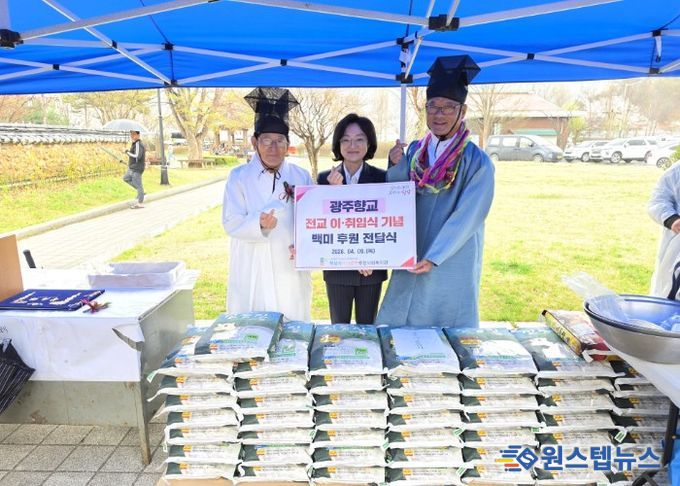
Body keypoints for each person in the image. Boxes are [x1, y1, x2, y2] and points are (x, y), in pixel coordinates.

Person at [376, 55, 495, 328]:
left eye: (448, 107)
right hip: (412, 246)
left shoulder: (476, 161)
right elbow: (399, 196)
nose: (439, 114)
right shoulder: (416, 151)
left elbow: (468, 216)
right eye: (433, 106)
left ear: (462, 111)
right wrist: (396, 165)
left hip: (450, 254)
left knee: (445, 324)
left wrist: (435, 255)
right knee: (401, 326)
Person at [222, 88, 313, 321]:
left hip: (288, 262)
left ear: (288, 144)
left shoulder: (301, 176)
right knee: (252, 324)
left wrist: (306, 245)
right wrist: (259, 224)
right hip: (251, 260)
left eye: (280, 141)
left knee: (292, 323)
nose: (273, 148)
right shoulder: (238, 177)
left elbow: (312, 220)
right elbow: (231, 222)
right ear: (254, 142)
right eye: (266, 140)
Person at [317, 114, 387, 324]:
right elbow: (320, 224)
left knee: (367, 329)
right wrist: (334, 193)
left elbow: (387, 223)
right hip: (338, 268)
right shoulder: (324, 179)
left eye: (359, 139)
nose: (352, 145)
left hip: (370, 269)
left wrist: (371, 256)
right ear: (338, 145)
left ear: (369, 143)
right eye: (346, 140)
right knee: (339, 329)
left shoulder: (382, 178)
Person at [648, 161, 680, 298]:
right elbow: (658, 200)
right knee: (670, 293)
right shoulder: (677, 171)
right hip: (676, 252)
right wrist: (672, 219)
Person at [123, 130, 146, 209]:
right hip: (132, 167)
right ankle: (141, 192)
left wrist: (127, 152)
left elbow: (137, 156)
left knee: (139, 185)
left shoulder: (138, 144)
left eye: (134, 134)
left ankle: (140, 203)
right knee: (126, 178)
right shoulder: (135, 144)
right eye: (131, 134)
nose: (132, 136)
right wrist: (128, 152)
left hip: (137, 168)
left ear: (138, 135)